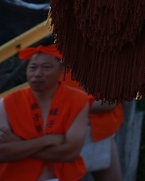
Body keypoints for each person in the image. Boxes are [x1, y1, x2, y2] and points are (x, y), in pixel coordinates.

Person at [0, 46, 91, 181]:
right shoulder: (6, 103)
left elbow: (70, 154)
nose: (37, 73)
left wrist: (19, 145)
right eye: (32, 68)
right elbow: (2, 153)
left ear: (62, 69)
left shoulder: (78, 100)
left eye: (46, 67)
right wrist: (46, 141)